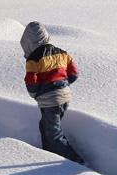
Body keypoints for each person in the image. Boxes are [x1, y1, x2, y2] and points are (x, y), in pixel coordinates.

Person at [21, 21, 84, 164]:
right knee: (45, 126)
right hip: (65, 96)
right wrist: (63, 86)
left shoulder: (33, 59)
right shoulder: (62, 52)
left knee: (54, 134)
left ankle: (77, 162)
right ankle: (49, 155)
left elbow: (31, 82)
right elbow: (74, 73)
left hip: (50, 100)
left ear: (27, 41)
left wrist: (36, 94)